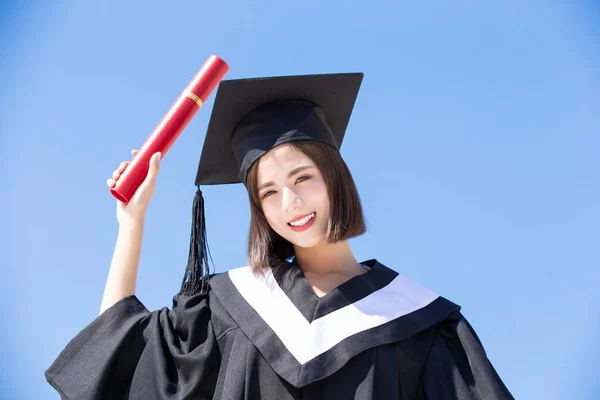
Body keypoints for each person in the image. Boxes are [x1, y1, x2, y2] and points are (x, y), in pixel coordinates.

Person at [45, 73, 514, 399]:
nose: (290, 202)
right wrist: (132, 223)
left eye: (303, 178)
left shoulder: (423, 323)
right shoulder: (232, 307)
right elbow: (117, 355)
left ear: (335, 178)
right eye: (268, 192)